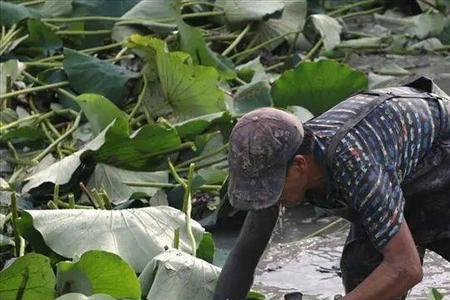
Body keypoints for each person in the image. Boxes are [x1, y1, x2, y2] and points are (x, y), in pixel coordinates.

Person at [213, 77, 450, 300]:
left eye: (270, 188)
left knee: (410, 246)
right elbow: (245, 255)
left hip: (439, 151)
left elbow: (406, 267)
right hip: (393, 165)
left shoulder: (356, 165)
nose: (266, 197)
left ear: (299, 166)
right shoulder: (279, 159)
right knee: (364, 272)